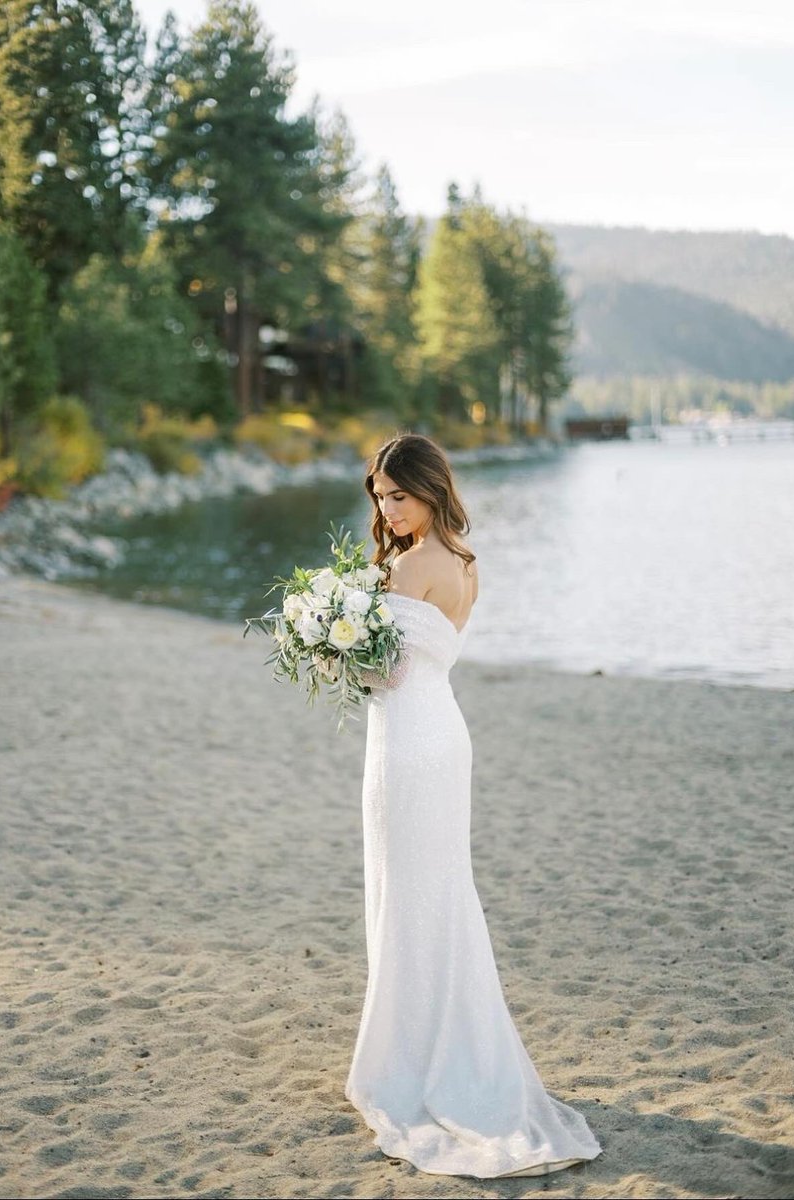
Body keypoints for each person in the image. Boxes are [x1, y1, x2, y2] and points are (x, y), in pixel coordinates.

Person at [344, 433, 602, 1179]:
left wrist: (334, 643)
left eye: (398, 495)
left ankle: (410, 1058)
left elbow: (382, 672)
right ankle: (437, 1041)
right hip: (445, 736)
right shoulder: (464, 562)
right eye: (380, 496)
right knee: (438, 891)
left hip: (406, 744)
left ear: (429, 488)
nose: (387, 509)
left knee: (409, 893)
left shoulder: (412, 565)